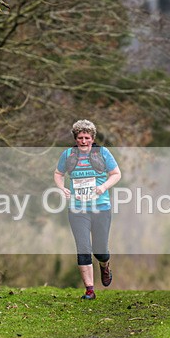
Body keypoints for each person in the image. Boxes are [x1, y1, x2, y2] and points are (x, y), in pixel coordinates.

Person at [54, 119, 121, 300]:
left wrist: (103, 187)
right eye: (80, 138)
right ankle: (90, 290)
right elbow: (58, 173)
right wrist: (62, 188)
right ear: (75, 138)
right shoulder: (68, 155)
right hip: (77, 209)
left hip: (101, 207)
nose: (83, 141)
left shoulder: (103, 153)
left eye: (87, 138)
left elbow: (116, 174)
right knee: (83, 248)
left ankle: (104, 265)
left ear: (92, 138)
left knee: (100, 250)